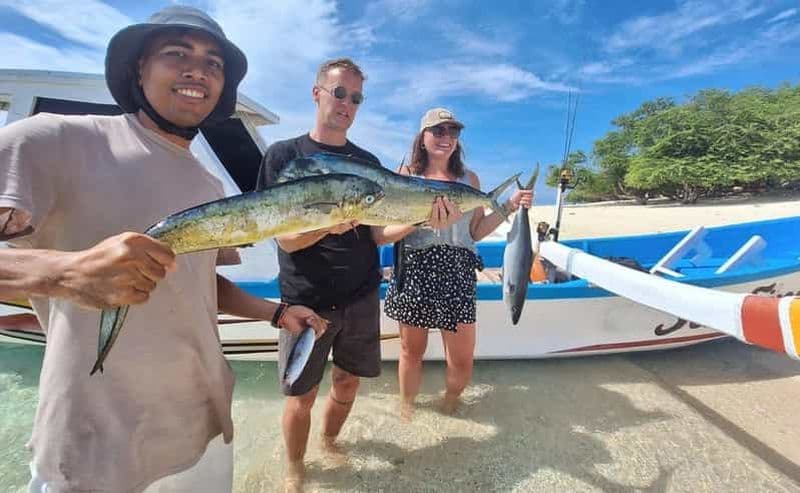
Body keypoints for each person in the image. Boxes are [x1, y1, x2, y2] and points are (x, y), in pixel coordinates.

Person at [0, 6, 326, 492]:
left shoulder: (209, 183)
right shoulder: (52, 139)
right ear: (139, 68)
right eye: (177, 53)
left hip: (204, 429)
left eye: (214, 63)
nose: (198, 70)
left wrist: (276, 314)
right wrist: (62, 272)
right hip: (94, 447)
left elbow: (196, 282)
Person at [256, 58, 451, 493]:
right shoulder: (283, 156)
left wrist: (423, 221)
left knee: (346, 384)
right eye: (339, 93)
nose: (347, 103)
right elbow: (284, 239)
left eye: (356, 98)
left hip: (361, 295)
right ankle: (294, 469)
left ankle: (328, 442)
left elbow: (378, 233)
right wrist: (330, 221)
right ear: (317, 93)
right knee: (300, 395)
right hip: (305, 299)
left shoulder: (366, 161)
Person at [381, 107, 533, 419]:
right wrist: (421, 221)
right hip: (415, 269)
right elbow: (385, 234)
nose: (446, 137)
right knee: (412, 352)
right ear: (422, 137)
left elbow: (475, 231)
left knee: (462, 359)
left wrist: (510, 205)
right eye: (438, 131)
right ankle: (407, 408)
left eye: (453, 132)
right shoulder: (405, 176)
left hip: (458, 271)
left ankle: (450, 404)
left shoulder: (470, 178)